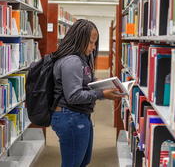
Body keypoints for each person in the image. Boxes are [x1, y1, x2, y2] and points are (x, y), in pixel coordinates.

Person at [51, 19, 123, 167]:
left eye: (95, 42)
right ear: (79, 39)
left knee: (83, 161)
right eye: (90, 42)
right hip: (70, 116)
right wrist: (102, 94)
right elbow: (74, 96)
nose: (93, 47)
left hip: (78, 115)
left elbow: (82, 80)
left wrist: (99, 82)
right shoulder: (72, 61)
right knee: (72, 164)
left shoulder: (81, 58)